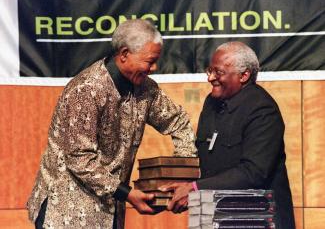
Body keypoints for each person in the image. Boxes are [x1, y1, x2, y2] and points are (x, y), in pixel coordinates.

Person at [27, 19, 197, 229]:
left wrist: (181, 173)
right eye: (150, 61)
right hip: (65, 213)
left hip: (111, 211)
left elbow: (177, 121)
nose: (154, 68)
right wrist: (127, 194)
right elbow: (80, 159)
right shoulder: (87, 90)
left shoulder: (146, 90)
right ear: (124, 54)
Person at [159, 41, 295, 229]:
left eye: (219, 72)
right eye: (209, 70)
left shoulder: (262, 109)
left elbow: (254, 172)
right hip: (210, 213)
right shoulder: (211, 102)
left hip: (254, 216)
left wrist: (195, 189)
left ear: (244, 75)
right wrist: (181, 186)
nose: (211, 78)